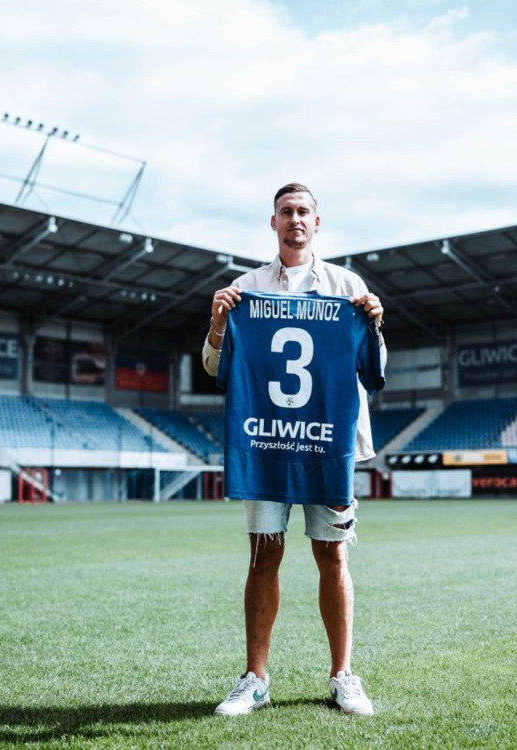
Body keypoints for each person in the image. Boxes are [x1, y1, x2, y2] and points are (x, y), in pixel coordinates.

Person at [202, 183, 385, 716]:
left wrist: (375, 324)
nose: (295, 219)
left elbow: (375, 370)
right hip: (266, 441)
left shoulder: (348, 286)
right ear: (274, 222)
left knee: (333, 555)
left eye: (304, 211)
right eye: (286, 211)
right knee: (264, 553)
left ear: (316, 222)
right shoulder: (245, 288)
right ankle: (255, 678)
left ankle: (343, 675)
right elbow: (214, 368)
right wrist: (218, 325)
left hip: (328, 442)